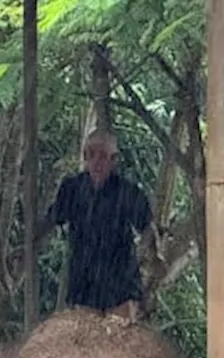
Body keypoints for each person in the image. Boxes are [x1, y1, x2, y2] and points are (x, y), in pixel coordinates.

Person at [33, 128, 154, 320]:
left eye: (104, 156)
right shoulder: (72, 188)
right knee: (85, 344)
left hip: (120, 288)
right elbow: (53, 219)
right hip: (84, 285)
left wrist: (145, 265)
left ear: (114, 160)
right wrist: (28, 243)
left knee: (120, 343)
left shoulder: (129, 193)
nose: (97, 161)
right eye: (91, 154)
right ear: (84, 156)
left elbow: (148, 229)